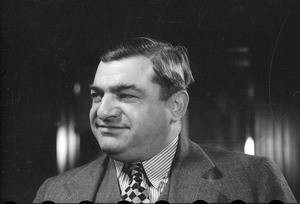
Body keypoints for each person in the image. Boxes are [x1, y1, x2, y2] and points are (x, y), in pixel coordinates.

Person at [34, 37, 296, 203]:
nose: (103, 112)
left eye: (125, 95)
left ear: (176, 106)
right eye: (96, 96)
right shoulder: (54, 193)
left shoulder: (255, 179)